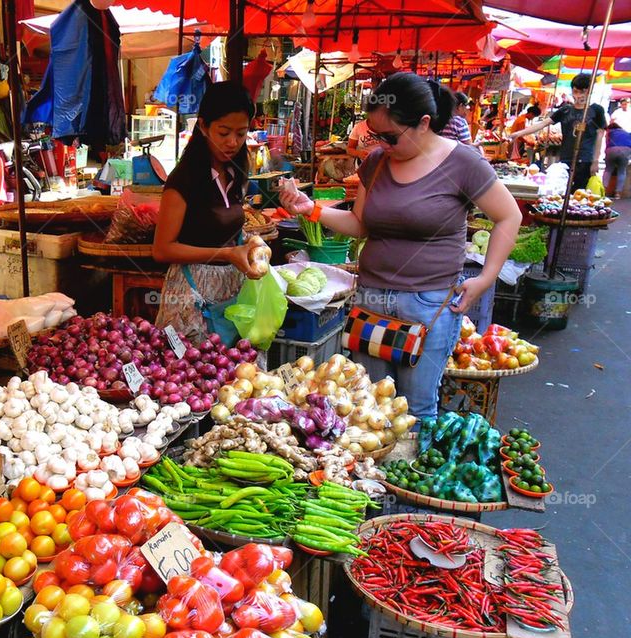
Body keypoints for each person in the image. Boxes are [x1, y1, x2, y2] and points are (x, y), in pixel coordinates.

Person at [278, 73, 521, 419]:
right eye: (376, 135)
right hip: (372, 299)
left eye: (390, 136)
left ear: (423, 123)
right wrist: (312, 209)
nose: (380, 144)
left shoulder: (463, 163)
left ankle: (413, 471)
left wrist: (486, 278)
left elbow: (509, 217)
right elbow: (360, 225)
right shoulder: (377, 163)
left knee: (416, 411)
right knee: (368, 406)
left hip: (428, 304)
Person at [153, 81, 262, 342]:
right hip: (190, 301)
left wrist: (252, 244)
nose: (232, 142)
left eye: (241, 133)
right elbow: (162, 249)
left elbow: (229, 227)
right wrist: (225, 254)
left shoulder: (236, 171)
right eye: (223, 133)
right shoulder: (184, 180)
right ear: (203, 126)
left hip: (230, 294)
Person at [510, 74, 606, 191]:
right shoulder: (565, 110)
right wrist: (518, 133)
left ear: (589, 92)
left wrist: (595, 160)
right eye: (575, 92)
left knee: (579, 194)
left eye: (582, 92)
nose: (578, 96)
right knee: (561, 191)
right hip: (565, 159)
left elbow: (600, 136)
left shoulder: (596, 110)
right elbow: (543, 123)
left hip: (585, 160)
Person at [603, 120, 631, 199]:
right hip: (626, 150)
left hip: (612, 150)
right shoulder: (627, 133)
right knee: (622, 171)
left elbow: (607, 143)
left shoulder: (610, 132)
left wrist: (606, 154)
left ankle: (604, 190)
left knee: (608, 170)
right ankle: (618, 193)